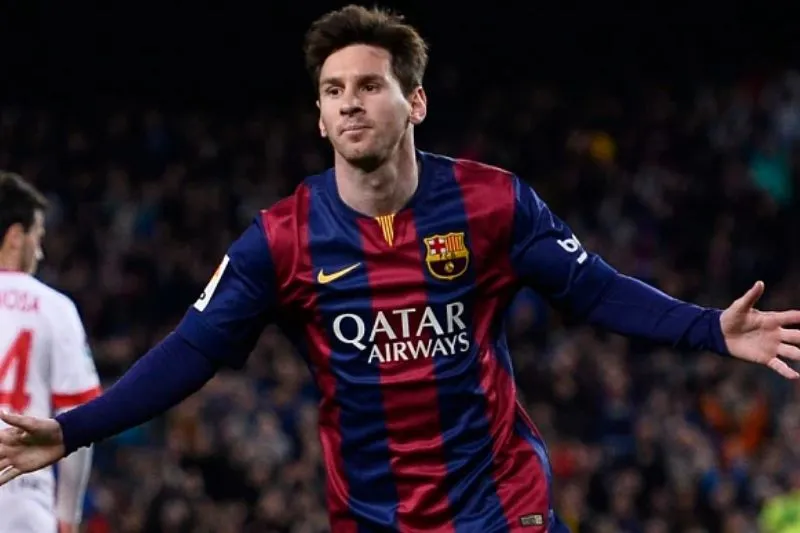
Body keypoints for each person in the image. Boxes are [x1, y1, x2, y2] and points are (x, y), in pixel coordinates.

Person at [2, 5, 800, 532]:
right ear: (320, 118)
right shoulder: (280, 239)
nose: (349, 102)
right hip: (373, 516)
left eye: (369, 85)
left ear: (414, 102)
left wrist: (708, 328)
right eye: (333, 91)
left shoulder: (493, 203)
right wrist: (72, 430)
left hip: (501, 505)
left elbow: (593, 289)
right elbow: (190, 351)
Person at [0, 172, 100, 533]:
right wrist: (67, 516)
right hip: (22, 492)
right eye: (37, 237)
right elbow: (80, 417)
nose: (40, 252)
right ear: (16, 236)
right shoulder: (54, 308)